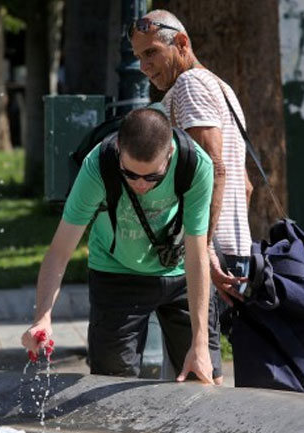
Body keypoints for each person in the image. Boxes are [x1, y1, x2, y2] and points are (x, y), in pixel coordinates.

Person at [21, 108, 221, 384]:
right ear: (118, 151)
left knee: (204, 376)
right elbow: (59, 251)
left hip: (182, 273)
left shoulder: (195, 164)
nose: (140, 184)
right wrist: (42, 317)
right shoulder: (98, 167)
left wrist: (199, 343)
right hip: (116, 273)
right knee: (111, 384)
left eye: (153, 177)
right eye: (130, 174)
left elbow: (198, 253)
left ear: (170, 155)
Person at [129, 10, 252, 320]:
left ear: (181, 43)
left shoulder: (190, 86)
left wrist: (205, 249)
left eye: (152, 52)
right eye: (139, 57)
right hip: (234, 249)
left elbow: (214, 167)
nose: (144, 66)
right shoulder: (221, 87)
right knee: (202, 362)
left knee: (193, 363)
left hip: (209, 254)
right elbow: (246, 186)